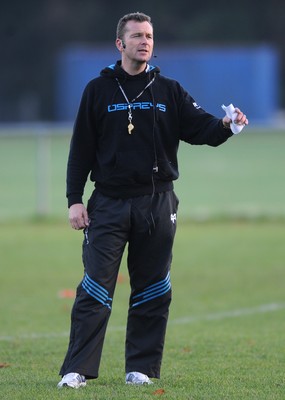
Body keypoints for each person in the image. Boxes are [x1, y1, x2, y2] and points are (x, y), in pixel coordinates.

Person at [57, 11, 248, 389]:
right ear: (120, 44)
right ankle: (76, 370)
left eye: (149, 36)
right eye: (137, 36)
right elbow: (80, 150)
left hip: (158, 204)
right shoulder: (98, 90)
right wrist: (74, 200)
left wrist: (227, 126)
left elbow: (201, 128)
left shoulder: (168, 90)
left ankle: (140, 368)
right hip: (108, 203)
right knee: (95, 285)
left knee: (153, 286)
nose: (145, 41)